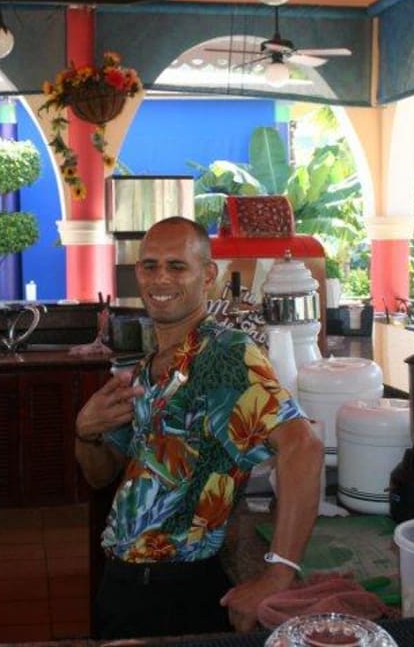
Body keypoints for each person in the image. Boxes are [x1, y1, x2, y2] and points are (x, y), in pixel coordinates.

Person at [75, 216, 323, 638]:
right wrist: (86, 431)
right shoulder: (147, 369)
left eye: (177, 266)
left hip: (175, 590)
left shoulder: (225, 354)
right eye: (150, 266)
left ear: (208, 276)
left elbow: (304, 446)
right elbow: (100, 474)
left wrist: (278, 573)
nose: (160, 278)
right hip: (125, 580)